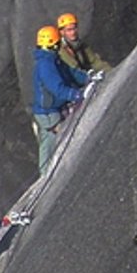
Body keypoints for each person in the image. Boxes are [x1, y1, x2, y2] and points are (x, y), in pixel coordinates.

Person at [28, 24, 84, 175]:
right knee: (52, 143)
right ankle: (46, 176)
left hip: (52, 109)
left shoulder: (53, 60)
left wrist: (87, 77)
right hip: (48, 113)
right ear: (54, 43)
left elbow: (70, 73)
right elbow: (56, 88)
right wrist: (74, 95)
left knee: (49, 143)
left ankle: (46, 175)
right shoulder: (46, 65)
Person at [55, 11, 115, 78]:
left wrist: (112, 72)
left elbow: (95, 62)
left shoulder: (81, 45)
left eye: (74, 28)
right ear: (62, 32)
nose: (73, 32)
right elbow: (75, 70)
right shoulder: (61, 51)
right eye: (69, 30)